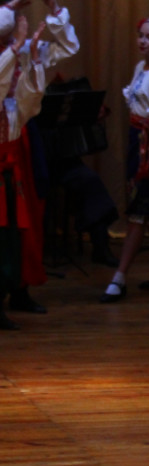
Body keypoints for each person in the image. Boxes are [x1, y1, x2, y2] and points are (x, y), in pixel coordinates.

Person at [0, 0, 78, 318]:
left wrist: (54, 8)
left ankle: (20, 287)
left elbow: (68, 46)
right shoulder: (11, 46)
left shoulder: (22, 47)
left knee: (28, 214)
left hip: (19, 138)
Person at [100, 17, 149, 304]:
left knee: (139, 210)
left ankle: (119, 277)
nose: (143, 41)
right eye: (141, 36)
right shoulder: (139, 68)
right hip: (139, 139)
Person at [0, 16, 45, 329]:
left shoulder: (13, 106)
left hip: (9, 173)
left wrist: (35, 60)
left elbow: (32, 100)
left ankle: (12, 291)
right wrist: (16, 46)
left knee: (11, 237)